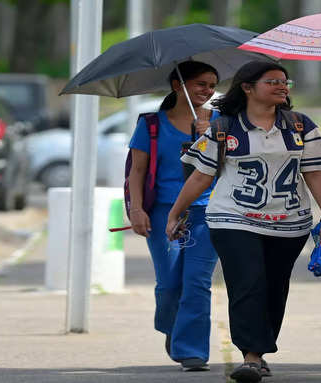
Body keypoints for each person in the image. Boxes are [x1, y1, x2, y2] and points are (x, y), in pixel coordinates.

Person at [166, 60, 321, 383]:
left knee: (275, 288)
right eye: (272, 81)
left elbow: (315, 174)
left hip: (290, 223)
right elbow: (201, 177)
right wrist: (176, 211)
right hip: (233, 219)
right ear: (247, 88)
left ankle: (258, 351)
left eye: (285, 82)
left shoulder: (301, 126)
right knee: (247, 284)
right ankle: (252, 356)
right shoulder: (224, 128)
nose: (281, 86)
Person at [128, 61, 220, 372]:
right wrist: (137, 209)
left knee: (196, 281)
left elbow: (231, 164)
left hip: (207, 211)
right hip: (163, 212)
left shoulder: (220, 122)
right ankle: (174, 327)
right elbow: (137, 171)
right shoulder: (151, 125)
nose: (207, 91)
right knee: (169, 283)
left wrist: (209, 137)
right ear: (178, 85)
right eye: (201, 84)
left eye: (211, 85)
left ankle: (192, 349)